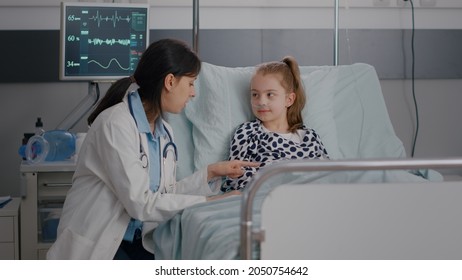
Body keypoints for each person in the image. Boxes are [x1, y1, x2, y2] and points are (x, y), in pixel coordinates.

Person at [47, 38, 258, 260]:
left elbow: (162, 195)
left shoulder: (163, 131)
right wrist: (210, 202)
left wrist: (211, 172)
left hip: (137, 243)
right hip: (100, 244)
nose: (193, 93)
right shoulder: (115, 124)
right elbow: (141, 203)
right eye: (190, 83)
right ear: (170, 82)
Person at [222, 56, 329, 192]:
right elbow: (235, 179)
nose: (261, 101)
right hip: (266, 198)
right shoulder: (247, 132)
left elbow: (327, 175)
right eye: (255, 94)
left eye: (270, 95)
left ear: (289, 99)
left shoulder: (310, 138)